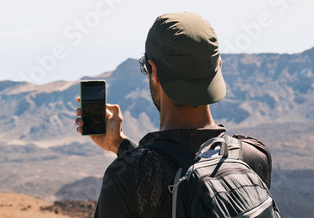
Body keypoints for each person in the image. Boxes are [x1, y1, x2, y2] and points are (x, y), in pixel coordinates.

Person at [75, 12, 273, 217]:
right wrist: (120, 145)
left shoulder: (124, 178)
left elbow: (165, 171)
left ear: (154, 72)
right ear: (218, 67)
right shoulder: (253, 157)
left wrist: (126, 156)